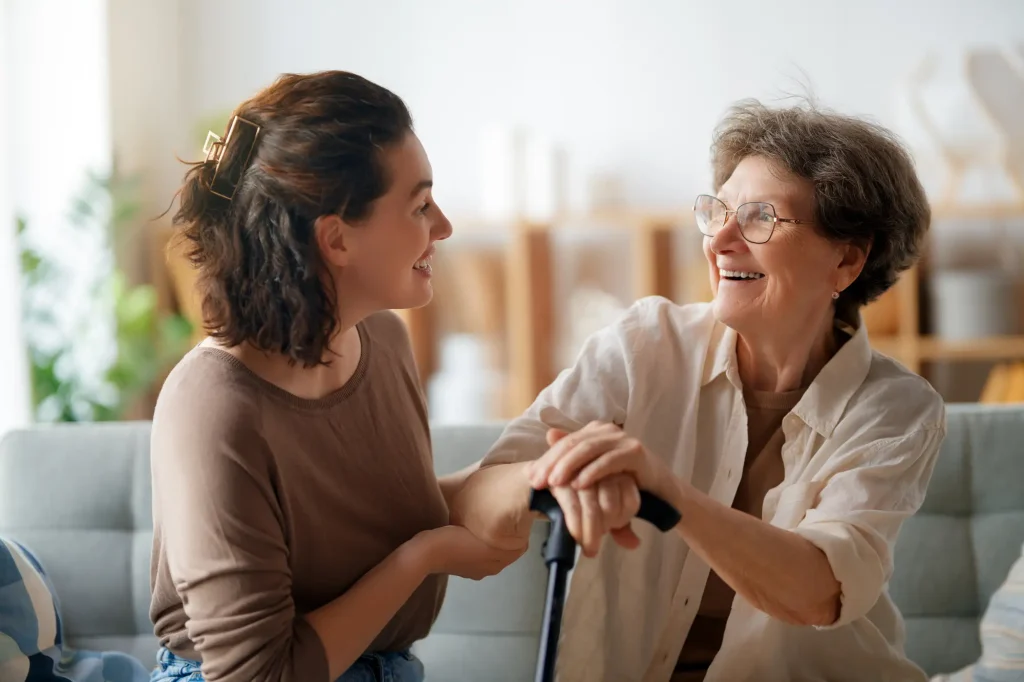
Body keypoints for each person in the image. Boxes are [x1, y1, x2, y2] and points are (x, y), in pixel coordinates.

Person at [454, 100, 946, 681]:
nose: (721, 240)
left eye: (761, 217)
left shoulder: (897, 410)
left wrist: (666, 493)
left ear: (846, 259)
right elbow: (476, 497)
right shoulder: (645, 345)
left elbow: (819, 590)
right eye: (718, 211)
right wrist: (557, 476)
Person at [148, 70, 525, 682]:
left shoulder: (383, 339)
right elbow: (255, 676)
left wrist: (523, 478)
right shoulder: (212, 407)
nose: (444, 227)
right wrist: (427, 557)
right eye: (420, 205)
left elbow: (372, 520)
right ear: (337, 239)